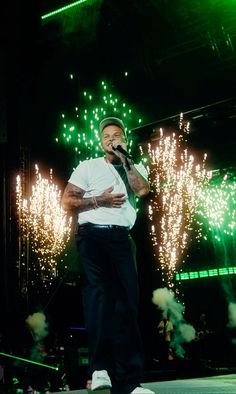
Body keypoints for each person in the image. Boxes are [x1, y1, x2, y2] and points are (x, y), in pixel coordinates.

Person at [61, 117, 154, 394]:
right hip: (92, 236)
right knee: (99, 295)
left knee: (127, 305)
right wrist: (99, 200)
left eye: (117, 135)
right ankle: (99, 370)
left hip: (121, 238)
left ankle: (131, 382)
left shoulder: (134, 167)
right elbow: (67, 202)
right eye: (107, 136)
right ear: (101, 142)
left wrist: (126, 160)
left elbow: (142, 189)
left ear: (125, 139)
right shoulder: (88, 166)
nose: (112, 139)